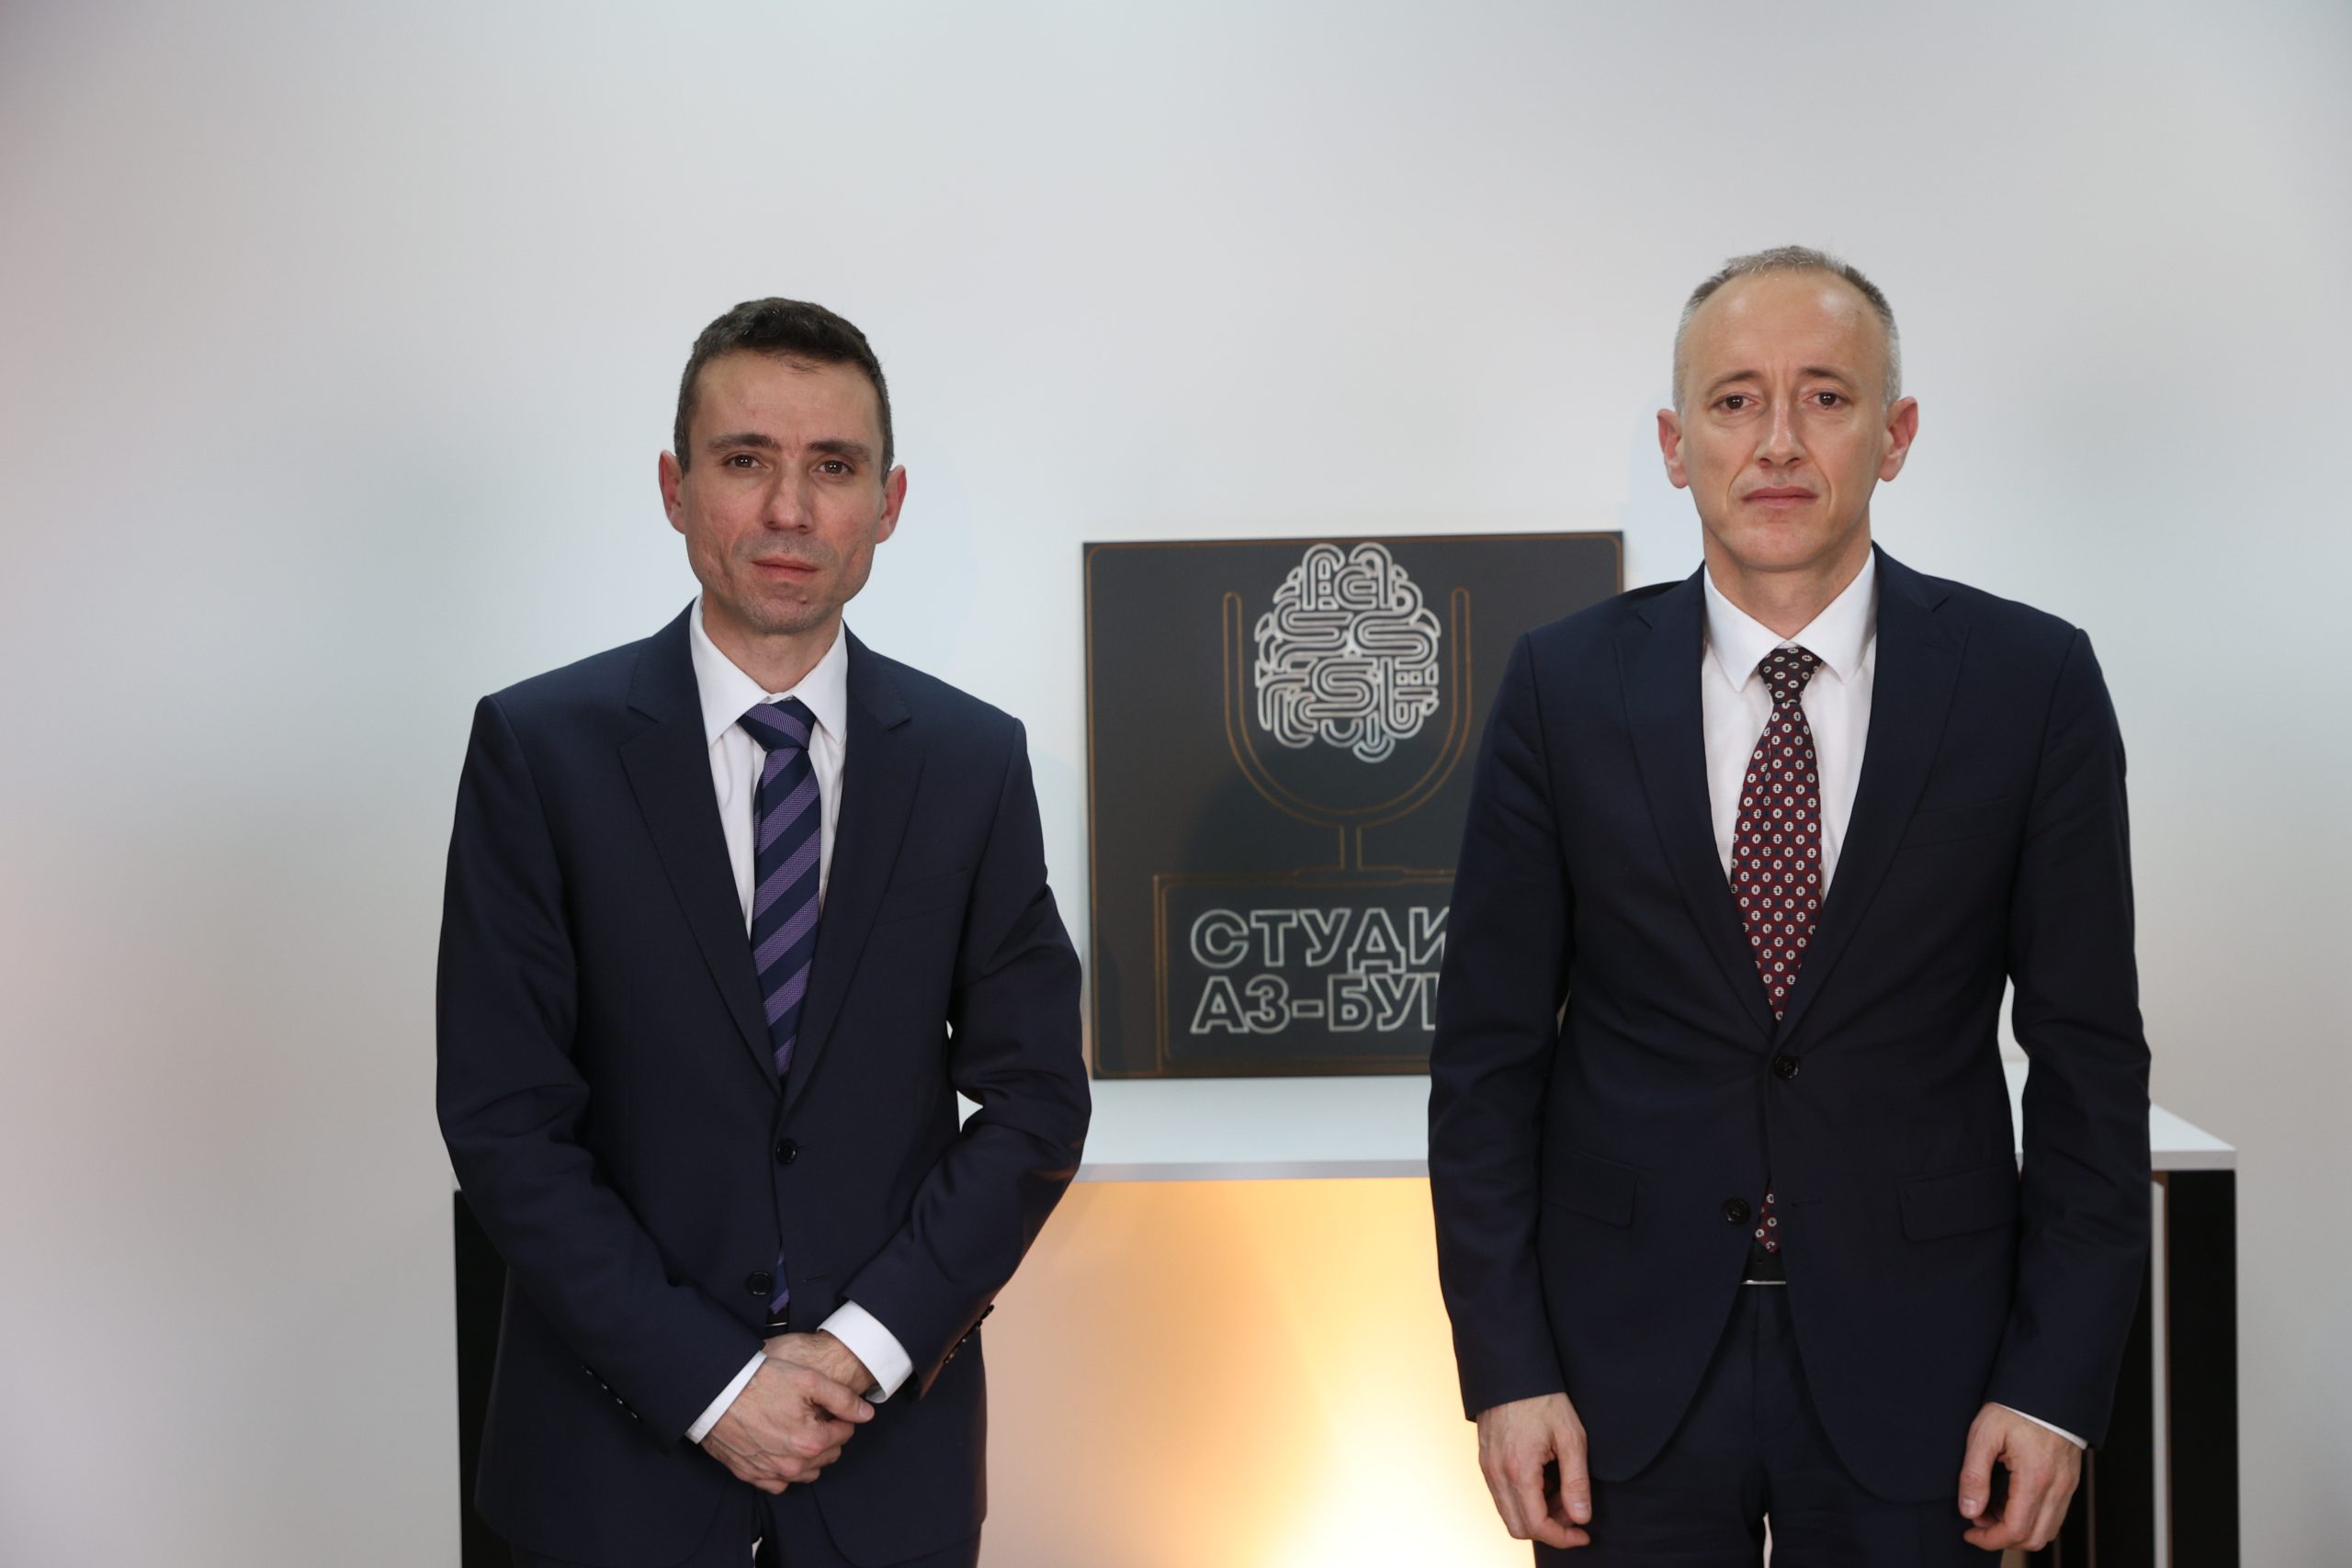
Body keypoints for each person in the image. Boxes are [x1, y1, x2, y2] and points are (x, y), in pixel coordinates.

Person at [1428, 247, 2150, 1562]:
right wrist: (1506, 1366)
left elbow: (2090, 1064)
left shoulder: (2031, 684)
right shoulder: (1560, 688)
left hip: (1931, 1371)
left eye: (1824, 397)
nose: (1776, 443)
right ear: (1675, 444)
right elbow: (1486, 1059)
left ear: (1896, 434)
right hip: (1618, 1377)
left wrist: (2055, 1382)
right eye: (1733, 400)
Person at [437, 299, 1090, 1568]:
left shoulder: (972, 765)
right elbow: (505, 1118)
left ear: (888, 504)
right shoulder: (539, 752)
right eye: (746, 460)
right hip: (604, 1482)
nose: (789, 510)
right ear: (675, 488)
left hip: (882, 1472)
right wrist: (711, 1385)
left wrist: (860, 1352)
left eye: (832, 467)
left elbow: (1036, 1103)